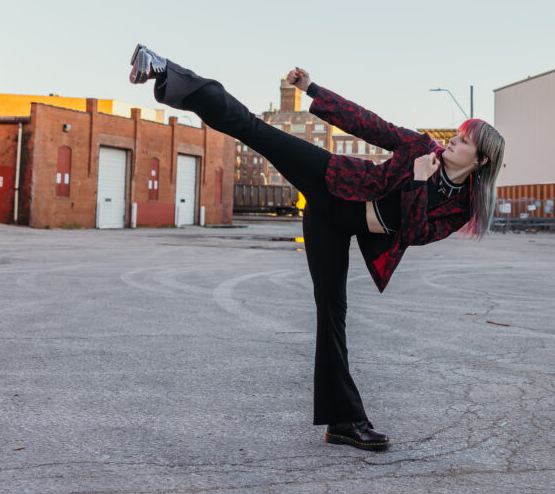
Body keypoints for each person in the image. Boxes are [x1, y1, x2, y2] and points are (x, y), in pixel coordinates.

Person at [129, 44, 505, 451]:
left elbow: (414, 234)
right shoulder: (420, 148)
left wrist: (417, 183)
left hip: (333, 226)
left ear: (481, 161)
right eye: (458, 133)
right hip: (331, 181)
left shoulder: (461, 206)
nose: (453, 140)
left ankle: (343, 423)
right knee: (256, 131)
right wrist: (313, 90)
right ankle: (166, 71)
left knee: (331, 313)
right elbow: (369, 124)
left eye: (464, 141)